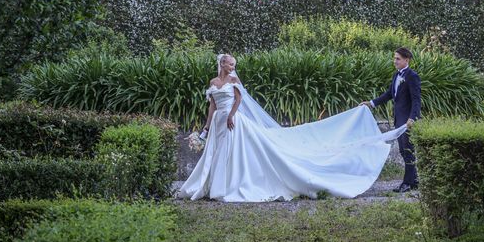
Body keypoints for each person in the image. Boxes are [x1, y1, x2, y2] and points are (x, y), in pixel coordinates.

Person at [177, 54, 407, 202]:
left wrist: (232, 116)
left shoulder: (234, 82)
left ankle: (226, 186)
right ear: (222, 64)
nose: (232, 66)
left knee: (234, 154)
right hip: (217, 121)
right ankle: (211, 185)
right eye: (230, 63)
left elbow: (239, 101)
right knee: (216, 153)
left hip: (233, 120)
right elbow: (212, 106)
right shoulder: (213, 83)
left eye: (234, 65)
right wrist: (206, 128)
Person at [361, 47, 421, 193]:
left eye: (398, 59)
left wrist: (412, 118)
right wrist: (372, 103)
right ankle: (413, 181)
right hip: (399, 119)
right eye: (394, 58)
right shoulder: (396, 75)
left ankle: (407, 183)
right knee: (403, 150)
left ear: (407, 60)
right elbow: (389, 94)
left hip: (407, 121)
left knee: (407, 150)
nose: (395, 61)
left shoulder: (412, 76)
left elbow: (416, 99)